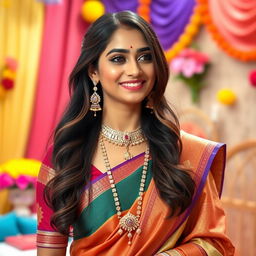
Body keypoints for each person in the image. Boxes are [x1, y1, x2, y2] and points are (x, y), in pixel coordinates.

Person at [36, 10, 235, 256]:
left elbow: (215, 244)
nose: (135, 70)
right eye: (118, 59)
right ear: (93, 71)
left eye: (145, 57)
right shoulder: (65, 155)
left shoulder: (185, 153)